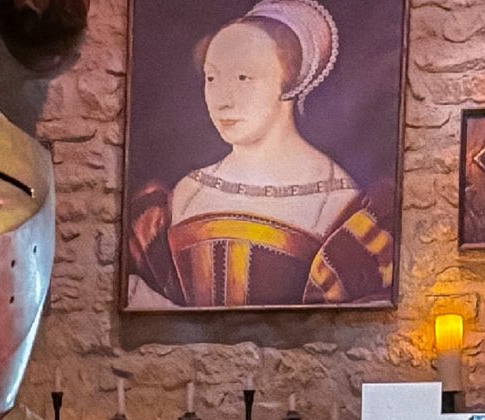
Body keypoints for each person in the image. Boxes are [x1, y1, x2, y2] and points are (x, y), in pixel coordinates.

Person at [126, 0, 395, 308]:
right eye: (212, 78)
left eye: (243, 78)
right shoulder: (188, 191)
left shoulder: (335, 200)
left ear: (290, 81)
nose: (223, 101)